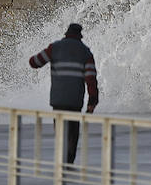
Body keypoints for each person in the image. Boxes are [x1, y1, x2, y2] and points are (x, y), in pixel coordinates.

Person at [29, 23, 99, 163]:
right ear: (80, 35)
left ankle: (60, 160)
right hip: (75, 101)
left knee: (60, 132)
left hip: (58, 100)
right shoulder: (85, 52)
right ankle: (69, 163)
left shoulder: (54, 48)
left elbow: (34, 62)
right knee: (72, 135)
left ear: (66, 33)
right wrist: (92, 102)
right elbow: (91, 79)